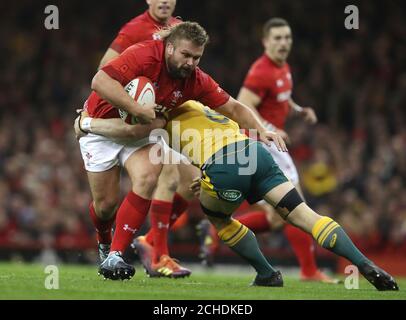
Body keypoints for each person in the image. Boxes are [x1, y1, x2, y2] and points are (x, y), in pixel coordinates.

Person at [75, 100, 399, 291]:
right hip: (255, 153)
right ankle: (365, 264)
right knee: (303, 215)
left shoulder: (157, 115)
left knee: (217, 215)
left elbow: (134, 131)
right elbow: (223, 118)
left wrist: (87, 123)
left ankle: (267, 273)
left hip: (224, 165)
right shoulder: (198, 103)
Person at [80, 21, 286, 280]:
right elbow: (99, 80)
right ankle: (104, 241)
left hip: (140, 134)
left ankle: (115, 256)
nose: (190, 62)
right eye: (185, 55)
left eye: (196, 57)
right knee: (105, 206)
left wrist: (260, 131)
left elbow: (234, 108)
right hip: (103, 128)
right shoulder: (143, 54)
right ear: (169, 48)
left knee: (148, 177)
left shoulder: (195, 79)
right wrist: (134, 109)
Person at [197, 17, 337, 283]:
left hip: (270, 142)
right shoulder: (261, 71)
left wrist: (298, 110)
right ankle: (308, 270)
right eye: (277, 38)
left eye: (287, 38)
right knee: (297, 205)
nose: (283, 43)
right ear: (265, 42)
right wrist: (270, 128)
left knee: (275, 218)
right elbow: (244, 106)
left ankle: (219, 230)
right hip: (266, 143)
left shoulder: (283, 68)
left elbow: (283, 97)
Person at [93, 0, 194, 278]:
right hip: (137, 116)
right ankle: (155, 250)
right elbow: (105, 68)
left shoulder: (178, 28)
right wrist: (134, 100)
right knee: (107, 204)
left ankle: (152, 245)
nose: (164, 1)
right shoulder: (135, 29)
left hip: (161, 117)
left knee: (190, 182)